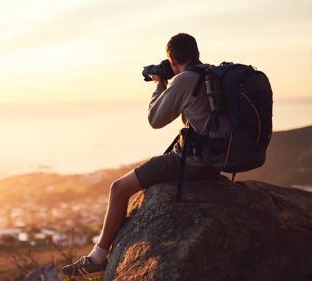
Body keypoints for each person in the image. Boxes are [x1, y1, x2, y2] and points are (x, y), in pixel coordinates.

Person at [61, 33, 219, 279]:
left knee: (118, 188)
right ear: (196, 53)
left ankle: (97, 258)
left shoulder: (185, 80)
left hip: (192, 162)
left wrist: (160, 85)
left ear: (172, 59)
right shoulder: (213, 73)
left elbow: (155, 119)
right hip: (216, 159)